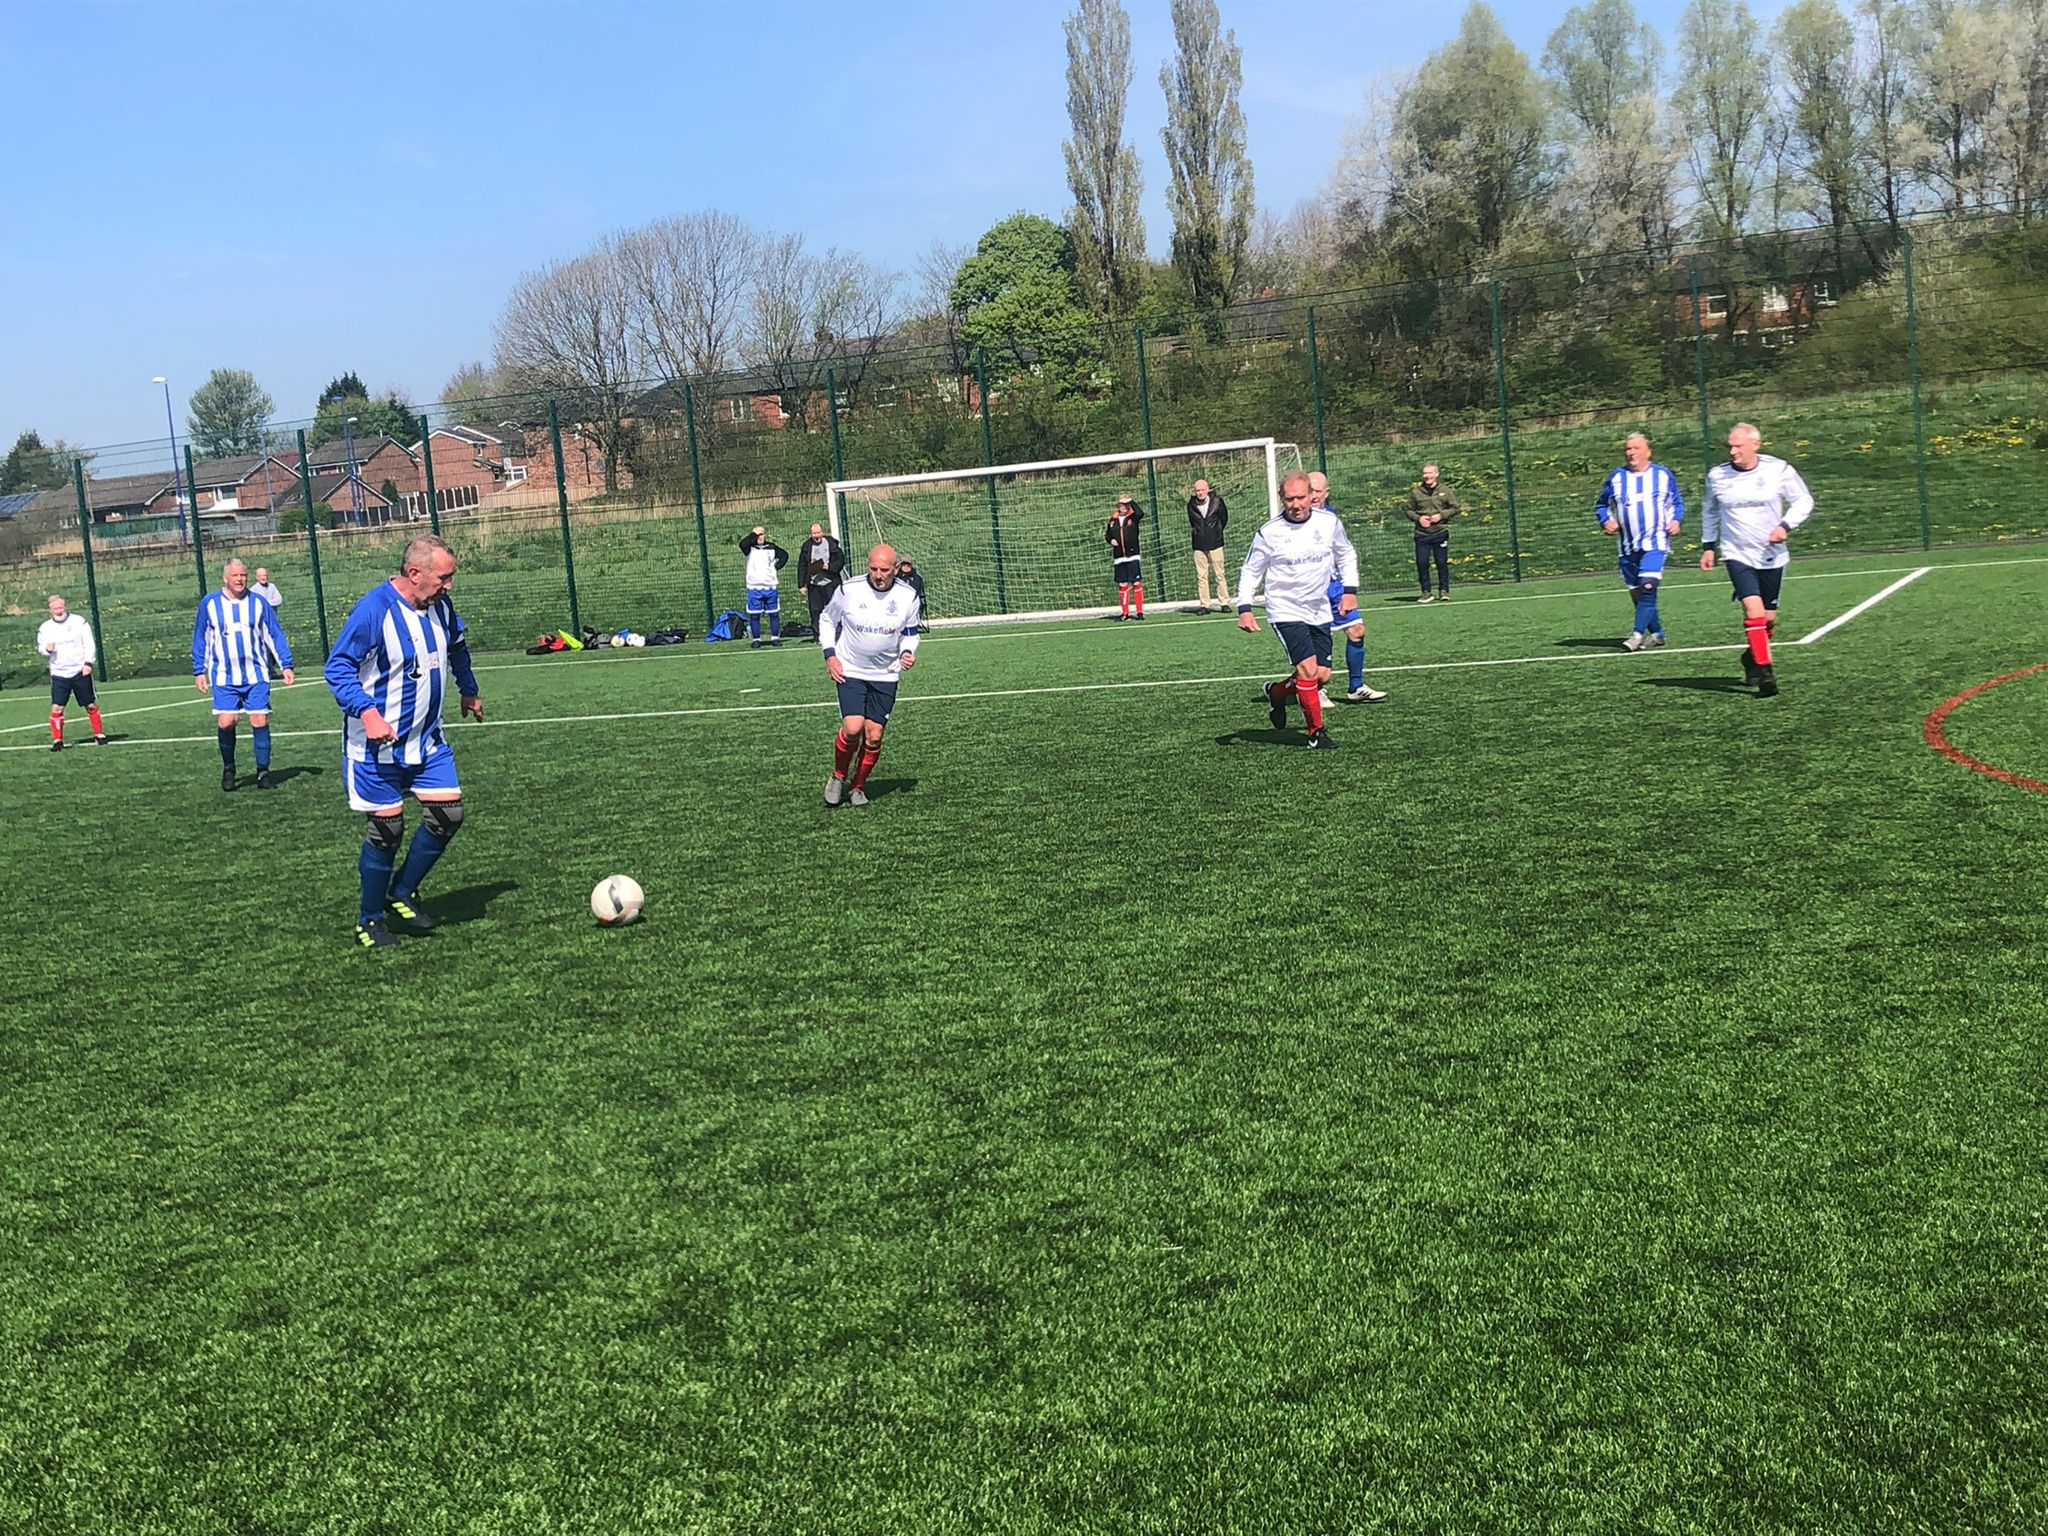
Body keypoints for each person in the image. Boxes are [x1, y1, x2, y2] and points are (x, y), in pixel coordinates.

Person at [324, 535, 483, 949]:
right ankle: (369, 919)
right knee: (387, 829)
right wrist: (367, 712)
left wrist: (469, 689)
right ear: (415, 573)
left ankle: (401, 892)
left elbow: (458, 647)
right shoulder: (374, 610)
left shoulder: (441, 607)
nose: (448, 585)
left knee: (448, 815)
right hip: (375, 748)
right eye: (443, 577)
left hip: (426, 741)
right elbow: (337, 668)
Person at [1236, 471, 1357, 750]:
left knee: (1322, 675)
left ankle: (1277, 692)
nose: (1296, 504)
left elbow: (1346, 554)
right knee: (1308, 669)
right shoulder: (1269, 532)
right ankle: (1316, 733)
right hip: (1285, 609)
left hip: (1319, 608)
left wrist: (1350, 591)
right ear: (1282, 498)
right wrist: (1245, 608)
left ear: (1312, 496)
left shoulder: (1328, 523)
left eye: (1301, 497)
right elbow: (1251, 570)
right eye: (1290, 499)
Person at [1700, 422, 1813, 699]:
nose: (1732, 451)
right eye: (1730, 446)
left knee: (1769, 619)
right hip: (1736, 553)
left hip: (1771, 554)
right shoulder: (1717, 476)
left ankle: (1751, 656)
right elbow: (1710, 511)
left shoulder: (1778, 469)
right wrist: (1708, 546)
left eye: (1738, 446)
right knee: (1754, 612)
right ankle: (1765, 673)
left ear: (1756, 445)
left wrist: (1785, 526)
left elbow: (1803, 500)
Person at [819, 542, 922, 808]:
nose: (878, 575)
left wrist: (907, 652)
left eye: (884, 570)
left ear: (895, 569)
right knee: (853, 728)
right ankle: (838, 776)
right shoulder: (849, 589)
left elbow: (911, 633)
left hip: (886, 674)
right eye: (873, 569)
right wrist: (830, 655)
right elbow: (827, 619)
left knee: (874, 735)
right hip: (850, 668)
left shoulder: (908, 596)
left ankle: (858, 786)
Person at [193, 558, 295, 791]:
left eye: (243, 575)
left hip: (255, 674)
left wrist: (286, 665)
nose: (240, 579)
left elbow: (274, 634)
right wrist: (199, 670)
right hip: (224, 675)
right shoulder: (210, 604)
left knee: (259, 719)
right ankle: (229, 768)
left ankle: (263, 772)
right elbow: (201, 637)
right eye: (235, 575)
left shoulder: (258, 603)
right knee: (227, 722)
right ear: (225, 578)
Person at [1595, 433, 1685, 651]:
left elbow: (1676, 502)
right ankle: (1657, 634)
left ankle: (1636, 635)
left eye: (1636, 448)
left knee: (1648, 585)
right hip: (1627, 547)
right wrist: (1606, 521)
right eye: (1628, 449)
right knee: (1638, 594)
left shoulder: (1662, 475)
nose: (1631, 453)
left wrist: (1676, 520)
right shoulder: (1617, 477)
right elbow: (1601, 505)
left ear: (1648, 452)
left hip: (1655, 543)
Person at [1310, 471, 1387, 704]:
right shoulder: (1295, 521)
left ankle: (1356, 686)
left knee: (1357, 631)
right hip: (1311, 589)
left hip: (1335, 586)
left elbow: (1343, 551)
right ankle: (1313, 689)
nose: (1313, 496)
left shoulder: (1331, 517)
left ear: (1326, 493)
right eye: (1309, 490)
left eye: (1317, 491)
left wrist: (1349, 579)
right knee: (1319, 648)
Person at [38, 594, 106, 749]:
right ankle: (58, 740)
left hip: (80, 671)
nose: (59, 611)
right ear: (50, 610)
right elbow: (42, 648)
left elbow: (89, 643)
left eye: (61, 607)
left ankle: (99, 734)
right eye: (55, 608)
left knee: (90, 705)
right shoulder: (45, 628)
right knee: (57, 707)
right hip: (59, 673)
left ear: (65, 606)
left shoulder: (79, 622)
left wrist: (88, 663)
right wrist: (47, 649)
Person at [1405, 462, 1461, 603]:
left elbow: (1455, 508)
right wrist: (1419, 519)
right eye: (1425, 473)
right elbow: (1408, 510)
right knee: (1422, 563)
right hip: (1422, 534)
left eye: (1430, 473)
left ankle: (1444, 590)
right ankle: (1426, 592)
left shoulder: (1445, 490)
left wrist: (1441, 515)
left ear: (1436, 474)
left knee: (1441, 562)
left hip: (1440, 532)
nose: (1427, 476)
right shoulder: (1416, 492)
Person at [738, 526, 789, 648]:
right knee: (754, 615)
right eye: (757, 535)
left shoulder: (771, 547)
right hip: (754, 587)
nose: (760, 537)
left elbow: (784, 555)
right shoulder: (749, 548)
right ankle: (756, 639)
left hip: (770, 586)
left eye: (761, 534)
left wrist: (776, 567)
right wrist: (753, 535)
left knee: (774, 613)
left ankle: (775, 638)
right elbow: (742, 544)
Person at [795, 522, 845, 642]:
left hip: (830, 583)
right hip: (814, 584)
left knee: (834, 608)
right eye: (814, 533)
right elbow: (802, 565)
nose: (816, 536)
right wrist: (801, 584)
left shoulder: (831, 544)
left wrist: (830, 567)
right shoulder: (807, 546)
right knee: (815, 610)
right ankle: (818, 636)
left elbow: (840, 560)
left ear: (822, 533)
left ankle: (837, 634)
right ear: (811, 534)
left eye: (818, 533)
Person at [1186, 478, 1230, 612]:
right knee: (1201, 576)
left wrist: (1216, 531)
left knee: (1219, 574)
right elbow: (1192, 522)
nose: (1200, 493)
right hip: (1199, 545)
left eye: (1202, 490)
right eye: (1197, 490)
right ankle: (1205, 605)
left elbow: (1224, 518)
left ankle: (1224, 602)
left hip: (1215, 543)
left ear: (1208, 489)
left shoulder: (1217, 501)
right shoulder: (1191, 505)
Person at [1105, 494, 1145, 619]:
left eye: (1126, 505)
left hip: (1132, 555)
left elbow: (1140, 512)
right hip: (1119, 557)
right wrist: (1110, 540)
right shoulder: (1113, 519)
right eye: (1121, 505)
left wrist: (1131, 501)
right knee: (1122, 584)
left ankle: (1139, 612)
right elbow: (1107, 535)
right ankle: (1125, 613)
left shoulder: (1133, 516)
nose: (1124, 507)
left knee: (1136, 582)